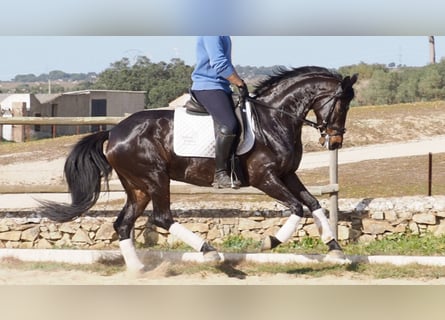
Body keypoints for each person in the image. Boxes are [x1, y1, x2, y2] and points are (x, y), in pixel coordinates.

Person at [191, 36, 248, 189]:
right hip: (208, 86)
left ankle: (236, 166)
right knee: (229, 125)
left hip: (221, 87)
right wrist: (239, 82)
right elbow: (219, 63)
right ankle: (220, 173)